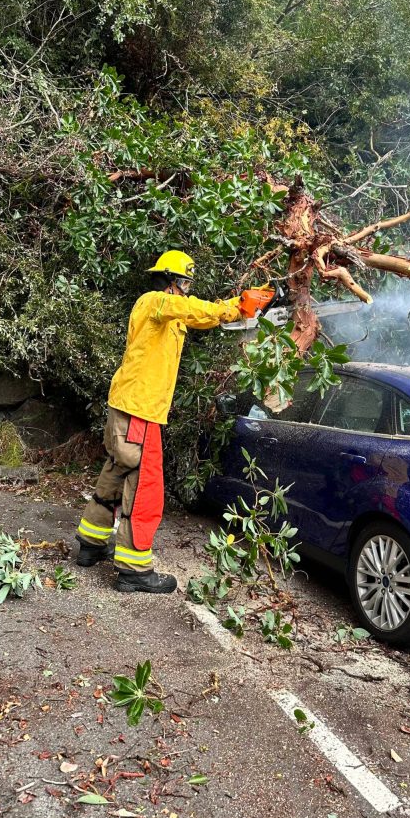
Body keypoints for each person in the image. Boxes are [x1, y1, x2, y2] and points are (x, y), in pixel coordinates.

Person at [75, 249, 244, 594]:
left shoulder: (168, 313)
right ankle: (135, 569)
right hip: (140, 410)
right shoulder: (154, 301)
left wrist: (238, 306)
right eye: (183, 282)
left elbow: (198, 316)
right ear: (169, 281)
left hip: (131, 405)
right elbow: (191, 308)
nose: (186, 290)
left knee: (117, 469)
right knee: (144, 486)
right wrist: (237, 306)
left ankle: (91, 544)